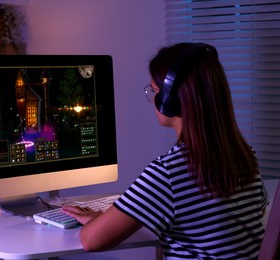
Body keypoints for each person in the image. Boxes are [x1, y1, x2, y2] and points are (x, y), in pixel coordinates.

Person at [62, 42, 269, 259]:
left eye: (154, 90)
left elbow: (91, 240)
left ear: (170, 100)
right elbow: (256, 212)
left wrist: (97, 222)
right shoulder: (246, 156)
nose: (152, 98)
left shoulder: (168, 173)